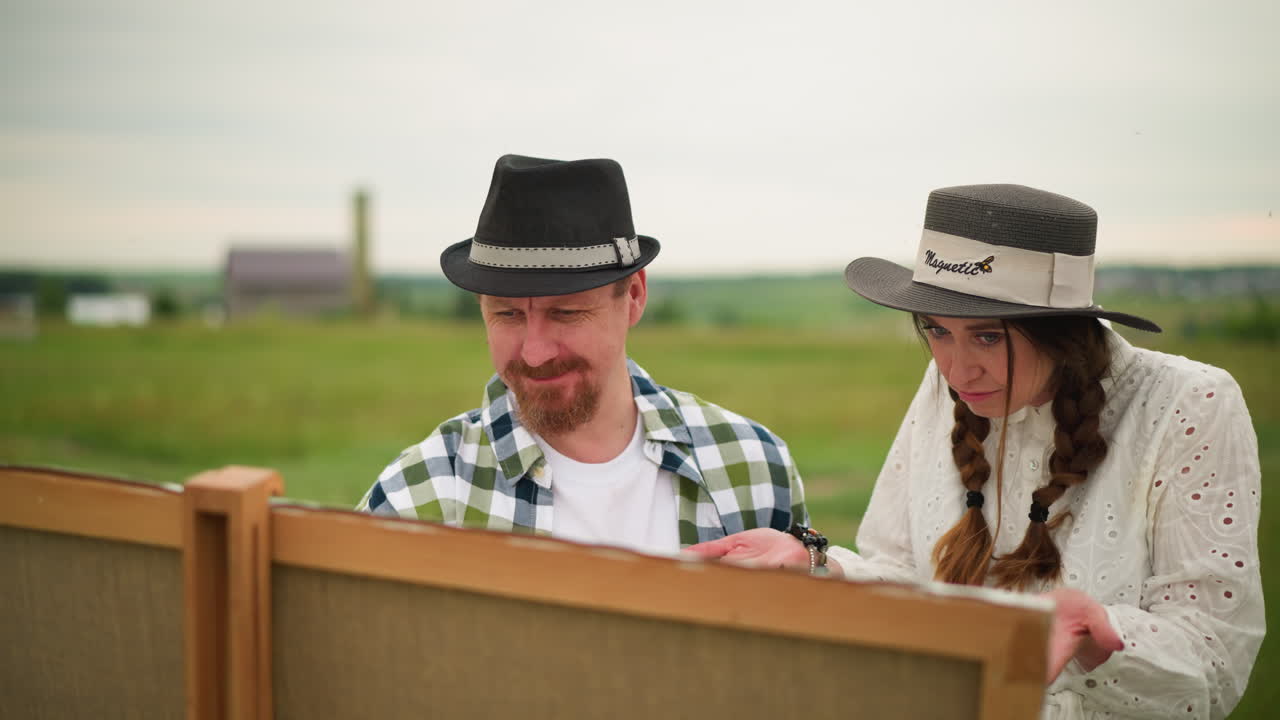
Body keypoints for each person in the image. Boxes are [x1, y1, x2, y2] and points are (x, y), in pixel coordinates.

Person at [688, 184, 1263, 718]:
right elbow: (904, 576)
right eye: (936, 330)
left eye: (987, 336)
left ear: (1062, 330)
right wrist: (820, 566)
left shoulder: (1188, 404)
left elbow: (1215, 662)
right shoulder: (955, 384)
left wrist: (1098, 632)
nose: (956, 368)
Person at [357, 154, 808, 554]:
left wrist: (814, 562)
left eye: (566, 313)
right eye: (508, 315)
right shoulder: (421, 497)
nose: (534, 354)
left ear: (633, 296)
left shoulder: (753, 466)